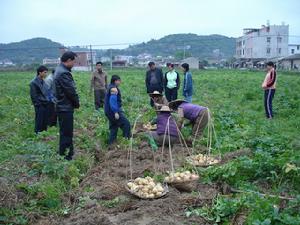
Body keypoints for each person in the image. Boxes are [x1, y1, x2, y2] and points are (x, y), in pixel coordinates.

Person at [54, 51, 80, 160]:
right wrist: (77, 103)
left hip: (61, 106)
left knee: (64, 131)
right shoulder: (64, 73)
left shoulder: (59, 70)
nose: (74, 64)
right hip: (65, 107)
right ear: (68, 60)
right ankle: (66, 157)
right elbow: (71, 92)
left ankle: (65, 153)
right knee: (67, 133)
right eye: (74, 61)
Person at [104, 75, 131, 145]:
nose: (120, 82)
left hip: (108, 111)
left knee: (114, 127)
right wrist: (116, 112)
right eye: (119, 81)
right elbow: (112, 101)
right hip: (112, 112)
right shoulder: (114, 89)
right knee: (126, 124)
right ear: (115, 81)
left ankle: (111, 144)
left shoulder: (110, 86)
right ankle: (126, 141)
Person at [30, 66, 50, 134]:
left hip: (45, 103)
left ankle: (44, 133)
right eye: (45, 72)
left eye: (46, 72)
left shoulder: (43, 81)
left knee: (45, 120)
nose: (46, 74)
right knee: (39, 120)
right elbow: (33, 96)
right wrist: (38, 104)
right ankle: (37, 134)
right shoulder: (34, 82)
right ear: (40, 72)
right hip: (39, 104)